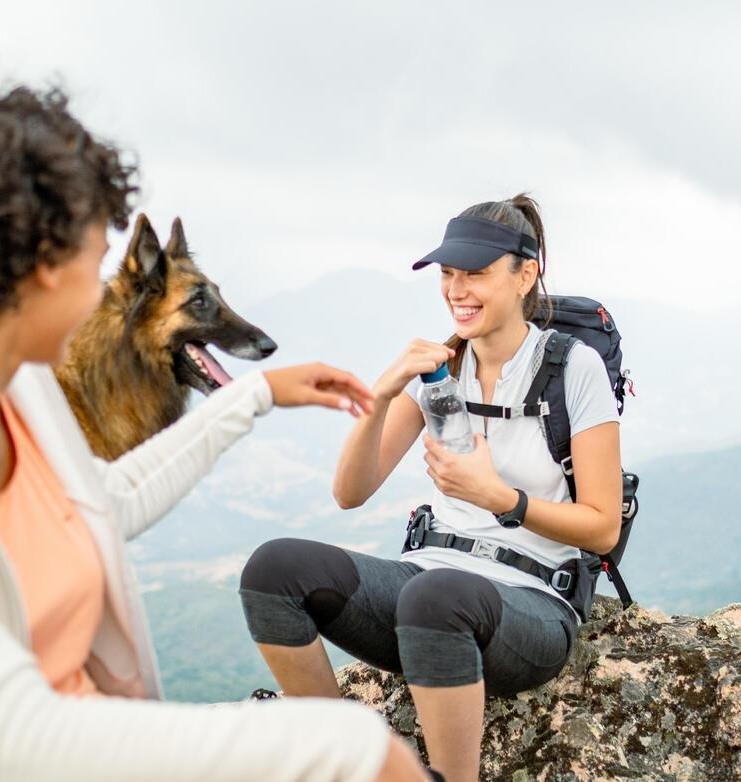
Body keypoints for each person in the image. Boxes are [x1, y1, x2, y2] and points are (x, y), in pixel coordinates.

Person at [0, 84, 427, 782]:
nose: (102, 294)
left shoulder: (21, 392)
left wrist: (260, 394)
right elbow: (10, 734)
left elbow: (104, 503)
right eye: (97, 264)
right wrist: (341, 745)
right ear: (44, 264)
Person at [239, 195, 623, 782]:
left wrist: (502, 500)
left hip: (533, 601)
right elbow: (350, 492)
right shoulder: (440, 368)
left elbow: (602, 525)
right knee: (273, 571)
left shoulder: (573, 369)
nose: (457, 289)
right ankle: (340, 756)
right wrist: (384, 396)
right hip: (429, 583)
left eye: (476, 273)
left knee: (437, 596)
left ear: (526, 274)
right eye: (448, 273)